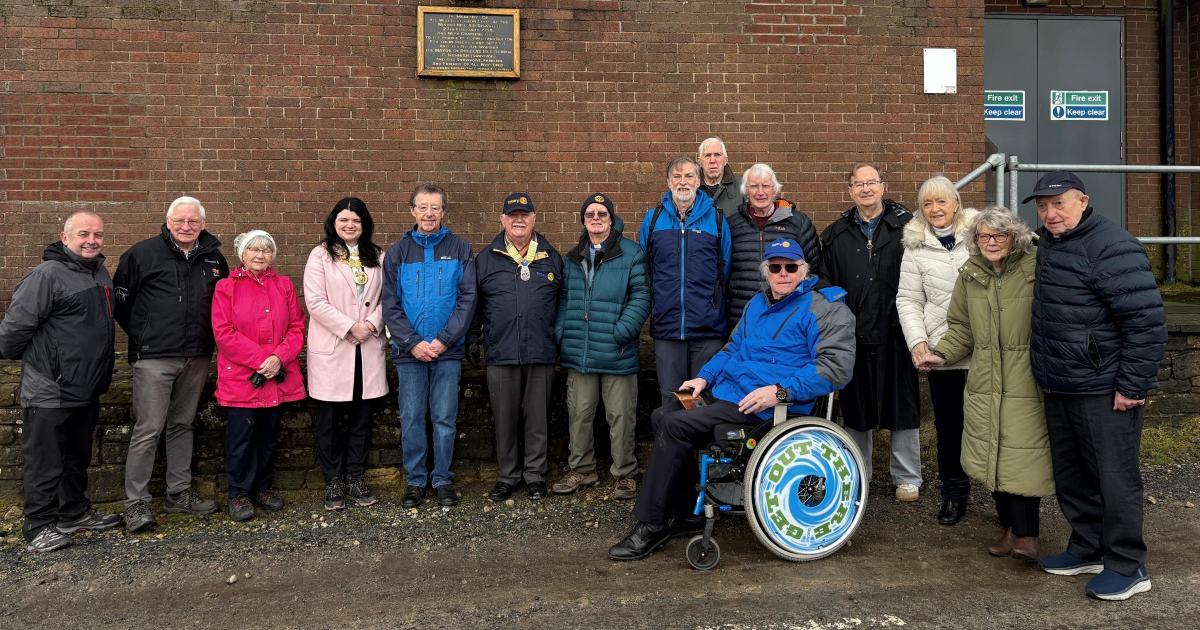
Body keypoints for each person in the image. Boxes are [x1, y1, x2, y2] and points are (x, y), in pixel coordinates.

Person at [608, 238, 855, 560]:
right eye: (775, 267)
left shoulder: (824, 308)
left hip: (771, 405)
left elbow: (835, 368)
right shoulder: (758, 303)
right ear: (766, 272)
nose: (783, 273)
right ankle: (685, 513)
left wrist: (780, 391)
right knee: (662, 413)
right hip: (728, 391)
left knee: (674, 424)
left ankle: (651, 525)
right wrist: (703, 378)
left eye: (790, 267)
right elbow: (733, 348)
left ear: (803, 270)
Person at [1023, 171, 1166, 601]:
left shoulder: (1112, 246)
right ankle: (1087, 547)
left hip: (1105, 388)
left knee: (1114, 477)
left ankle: (1127, 564)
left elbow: (1146, 323)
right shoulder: (1050, 243)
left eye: (1059, 204)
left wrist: (1132, 385)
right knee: (1073, 475)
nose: (1050, 214)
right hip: (1061, 382)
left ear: (1083, 201)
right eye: (1043, 207)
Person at [923, 207, 1052, 563]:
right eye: (984, 236)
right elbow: (961, 326)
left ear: (1015, 237)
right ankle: (1009, 526)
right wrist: (941, 354)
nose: (992, 242)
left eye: (1000, 235)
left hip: (1025, 373)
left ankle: (1027, 535)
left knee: (1022, 452)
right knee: (990, 450)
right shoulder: (971, 275)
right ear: (975, 240)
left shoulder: (1036, 267)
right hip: (985, 376)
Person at [0, 212, 122, 552]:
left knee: (76, 457)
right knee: (45, 461)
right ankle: (38, 527)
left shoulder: (99, 273)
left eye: (98, 234)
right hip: (50, 388)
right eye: (84, 233)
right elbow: (13, 332)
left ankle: (74, 513)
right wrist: (45, 364)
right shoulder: (46, 275)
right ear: (64, 237)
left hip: (86, 386)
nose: (92, 240)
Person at [113, 196, 228, 532]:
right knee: (148, 429)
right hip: (153, 357)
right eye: (180, 221)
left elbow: (223, 303)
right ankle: (136, 504)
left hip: (196, 355)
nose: (186, 227)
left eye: (193, 221)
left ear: (203, 224)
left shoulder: (214, 258)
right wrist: (144, 334)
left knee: (182, 424)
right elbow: (121, 302)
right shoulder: (142, 254)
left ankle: (178, 494)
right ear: (167, 220)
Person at [813, 162, 922, 502]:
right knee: (856, 404)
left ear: (883, 187)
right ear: (850, 191)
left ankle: (907, 477)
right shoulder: (835, 235)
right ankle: (858, 471)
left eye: (871, 182)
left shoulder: (908, 228)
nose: (865, 189)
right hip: (854, 333)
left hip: (896, 330)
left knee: (901, 401)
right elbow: (824, 282)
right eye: (858, 184)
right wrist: (842, 311)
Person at [382, 183, 477, 508]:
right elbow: (390, 303)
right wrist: (412, 343)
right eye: (423, 207)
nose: (429, 214)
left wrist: (442, 340)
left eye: (435, 207)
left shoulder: (460, 248)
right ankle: (416, 481)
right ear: (412, 211)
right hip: (409, 355)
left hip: (447, 352)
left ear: (443, 212)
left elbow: (467, 299)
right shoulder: (397, 253)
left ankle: (443, 479)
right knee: (411, 418)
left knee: (445, 418)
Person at [552, 193, 650, 499]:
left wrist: (622, 331)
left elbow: (642, 295)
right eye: (590, 214)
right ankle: (581, 469)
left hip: (616, 350)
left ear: (611, 219)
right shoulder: (572, 257)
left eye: (602, 214)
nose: (596, 219)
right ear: (583, 220)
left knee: (621, 415)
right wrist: (562, 331)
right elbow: (565, 298)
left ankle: (625, 472)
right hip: (580, 350)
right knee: (579, 413)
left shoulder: (631, 253)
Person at [896, 176, 976, 524]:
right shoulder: (915, 246)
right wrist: (918, 341)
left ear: (956, 203)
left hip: (984, 351)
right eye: (928, 203)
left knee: (993, 427)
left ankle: (1007, 498)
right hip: (942, 353)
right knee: (949, 428)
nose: (935, 209)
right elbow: (909, 299)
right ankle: (954, 495)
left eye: (941, 201)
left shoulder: (978, 237)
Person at [211, 230, 306, 522]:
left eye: (266, 250)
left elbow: (296, 327)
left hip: (276, 375)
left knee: (267, 437)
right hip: (242, 377)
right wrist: (262, 359)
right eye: (254, 250)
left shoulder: (284, 286)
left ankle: (263, 487)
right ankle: (239, 493)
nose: (260, 255)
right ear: (243, 255)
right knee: (241, 438)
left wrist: (279, 358)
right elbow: (224, 332)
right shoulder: (226, 287)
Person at [475, 193, 563, 502]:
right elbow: (476, 306)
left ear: (534, 218)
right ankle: (507, 476)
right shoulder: (486, 258)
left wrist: (558, 338)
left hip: (541, 350)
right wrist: (476, 342)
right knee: (505, 418)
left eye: (524, 214)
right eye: (512, 215)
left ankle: (536, 475)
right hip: (501, 352)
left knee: (537, 418)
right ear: (502, 220)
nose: (519, 219)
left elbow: (563, 303)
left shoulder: (552, 256)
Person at [304, 197, 388, 512]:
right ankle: (333, 481)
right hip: (335, 347)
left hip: (367, 347)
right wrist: (350, 326)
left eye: (356, 220)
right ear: (334, 223)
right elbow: (315, 301)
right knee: (329, 421)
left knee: (361, 419)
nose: (350, 225)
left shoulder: (378, 255)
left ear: (364, 224)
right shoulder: (320, 255)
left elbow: (387, 297)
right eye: (344, 220)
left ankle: (355, 477)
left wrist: (371, 324)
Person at [639, 156, 732, 415]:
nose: (683, 182)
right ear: (668, 182)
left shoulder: (716, 219)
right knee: (671, 401)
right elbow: (647, 269)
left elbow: (724, 269)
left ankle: (698, 457)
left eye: (689, 176)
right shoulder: (654, 219)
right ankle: (673, 456)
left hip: (707, 331)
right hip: (668, 330)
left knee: (701, 404)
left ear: (699, 181)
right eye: (677, 176)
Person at [726, 163, 819, 324]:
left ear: (775, 190)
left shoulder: (798, 223)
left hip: (788, 316)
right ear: (746, 191)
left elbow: (814, 269)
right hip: (742, 317)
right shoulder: (732, 225)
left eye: (766, 186)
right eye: (754, 186)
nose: (760, 192)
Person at [697, 136, 742, 217]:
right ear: (700, 162)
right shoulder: (691, 189)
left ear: (725, 161)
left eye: (717, 155)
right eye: (707, 155)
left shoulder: (742, 188)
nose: (712, 160)